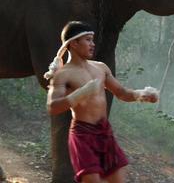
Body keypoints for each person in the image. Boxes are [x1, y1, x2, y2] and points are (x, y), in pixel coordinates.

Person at [45, 21, 159, 183]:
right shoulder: (63, 75)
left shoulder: (101, 68)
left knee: (118, 180)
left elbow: (122, 93)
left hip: (105, 132)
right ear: (74, 43)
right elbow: (52, 107)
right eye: (88, 40)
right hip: (82, 134)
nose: (93, 44)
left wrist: (142, 94)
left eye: (93, 39)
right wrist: (81, 94)